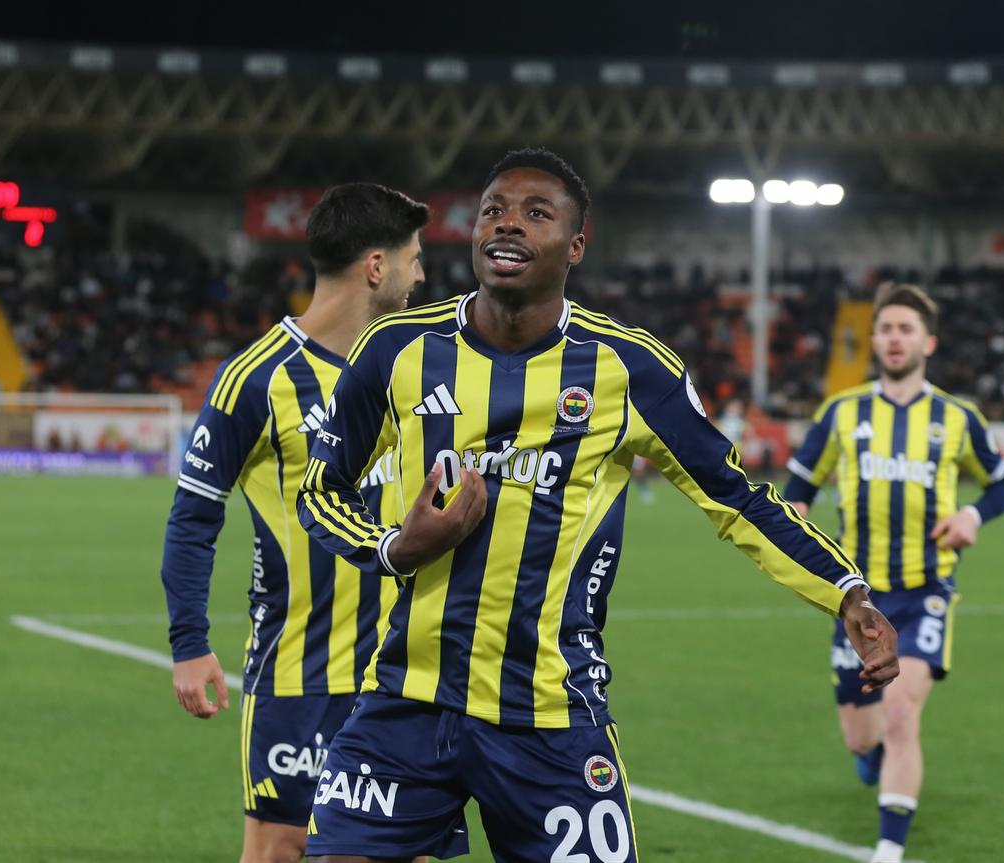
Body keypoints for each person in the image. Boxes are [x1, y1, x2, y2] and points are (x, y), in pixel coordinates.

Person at [296, 148, 899, 862]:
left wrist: (846, 589)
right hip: (404, 699)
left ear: (576, 244)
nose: (507, 226)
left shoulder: (630, 366)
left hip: (549, 711)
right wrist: (396, 546)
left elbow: (736, 499)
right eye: (493, 210)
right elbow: (319, 490)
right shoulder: (396, 348)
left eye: (535, 214)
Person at [160, 183, 429, 863]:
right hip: (299, 669)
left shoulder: (416, 368)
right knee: (283, 848)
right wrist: (189, 641)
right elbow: (194, 515)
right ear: (376, 267)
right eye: (414, 258)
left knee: (408, 849)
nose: (422, 275)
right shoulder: (256, 378)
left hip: (406, 667)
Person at [784, 282, 1004, 863]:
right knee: (862, 736)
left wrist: (972, 513)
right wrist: (796, 520)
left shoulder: (957, 418)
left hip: (926, 590)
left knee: (899, 709)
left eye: (905, 329)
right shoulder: (842, 413)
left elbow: (1003, 485)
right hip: (858, 600)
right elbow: (799, 488)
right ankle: (875, 761)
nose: (894, 338)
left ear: (928, 342)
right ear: (874, 339)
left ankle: (889, 850)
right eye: (885, 328)